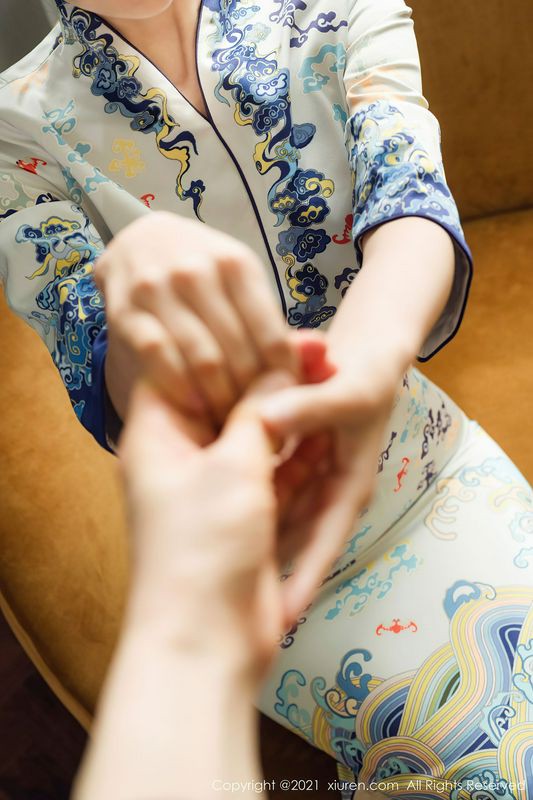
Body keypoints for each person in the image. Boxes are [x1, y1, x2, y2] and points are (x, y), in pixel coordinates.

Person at [0, 1, 531, 796]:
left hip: (433, 467)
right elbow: (98, 360)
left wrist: (356, 378)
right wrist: (132, 311)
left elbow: (411, 195)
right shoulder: (15, 130)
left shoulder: (337, 9)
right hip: (266, 569)